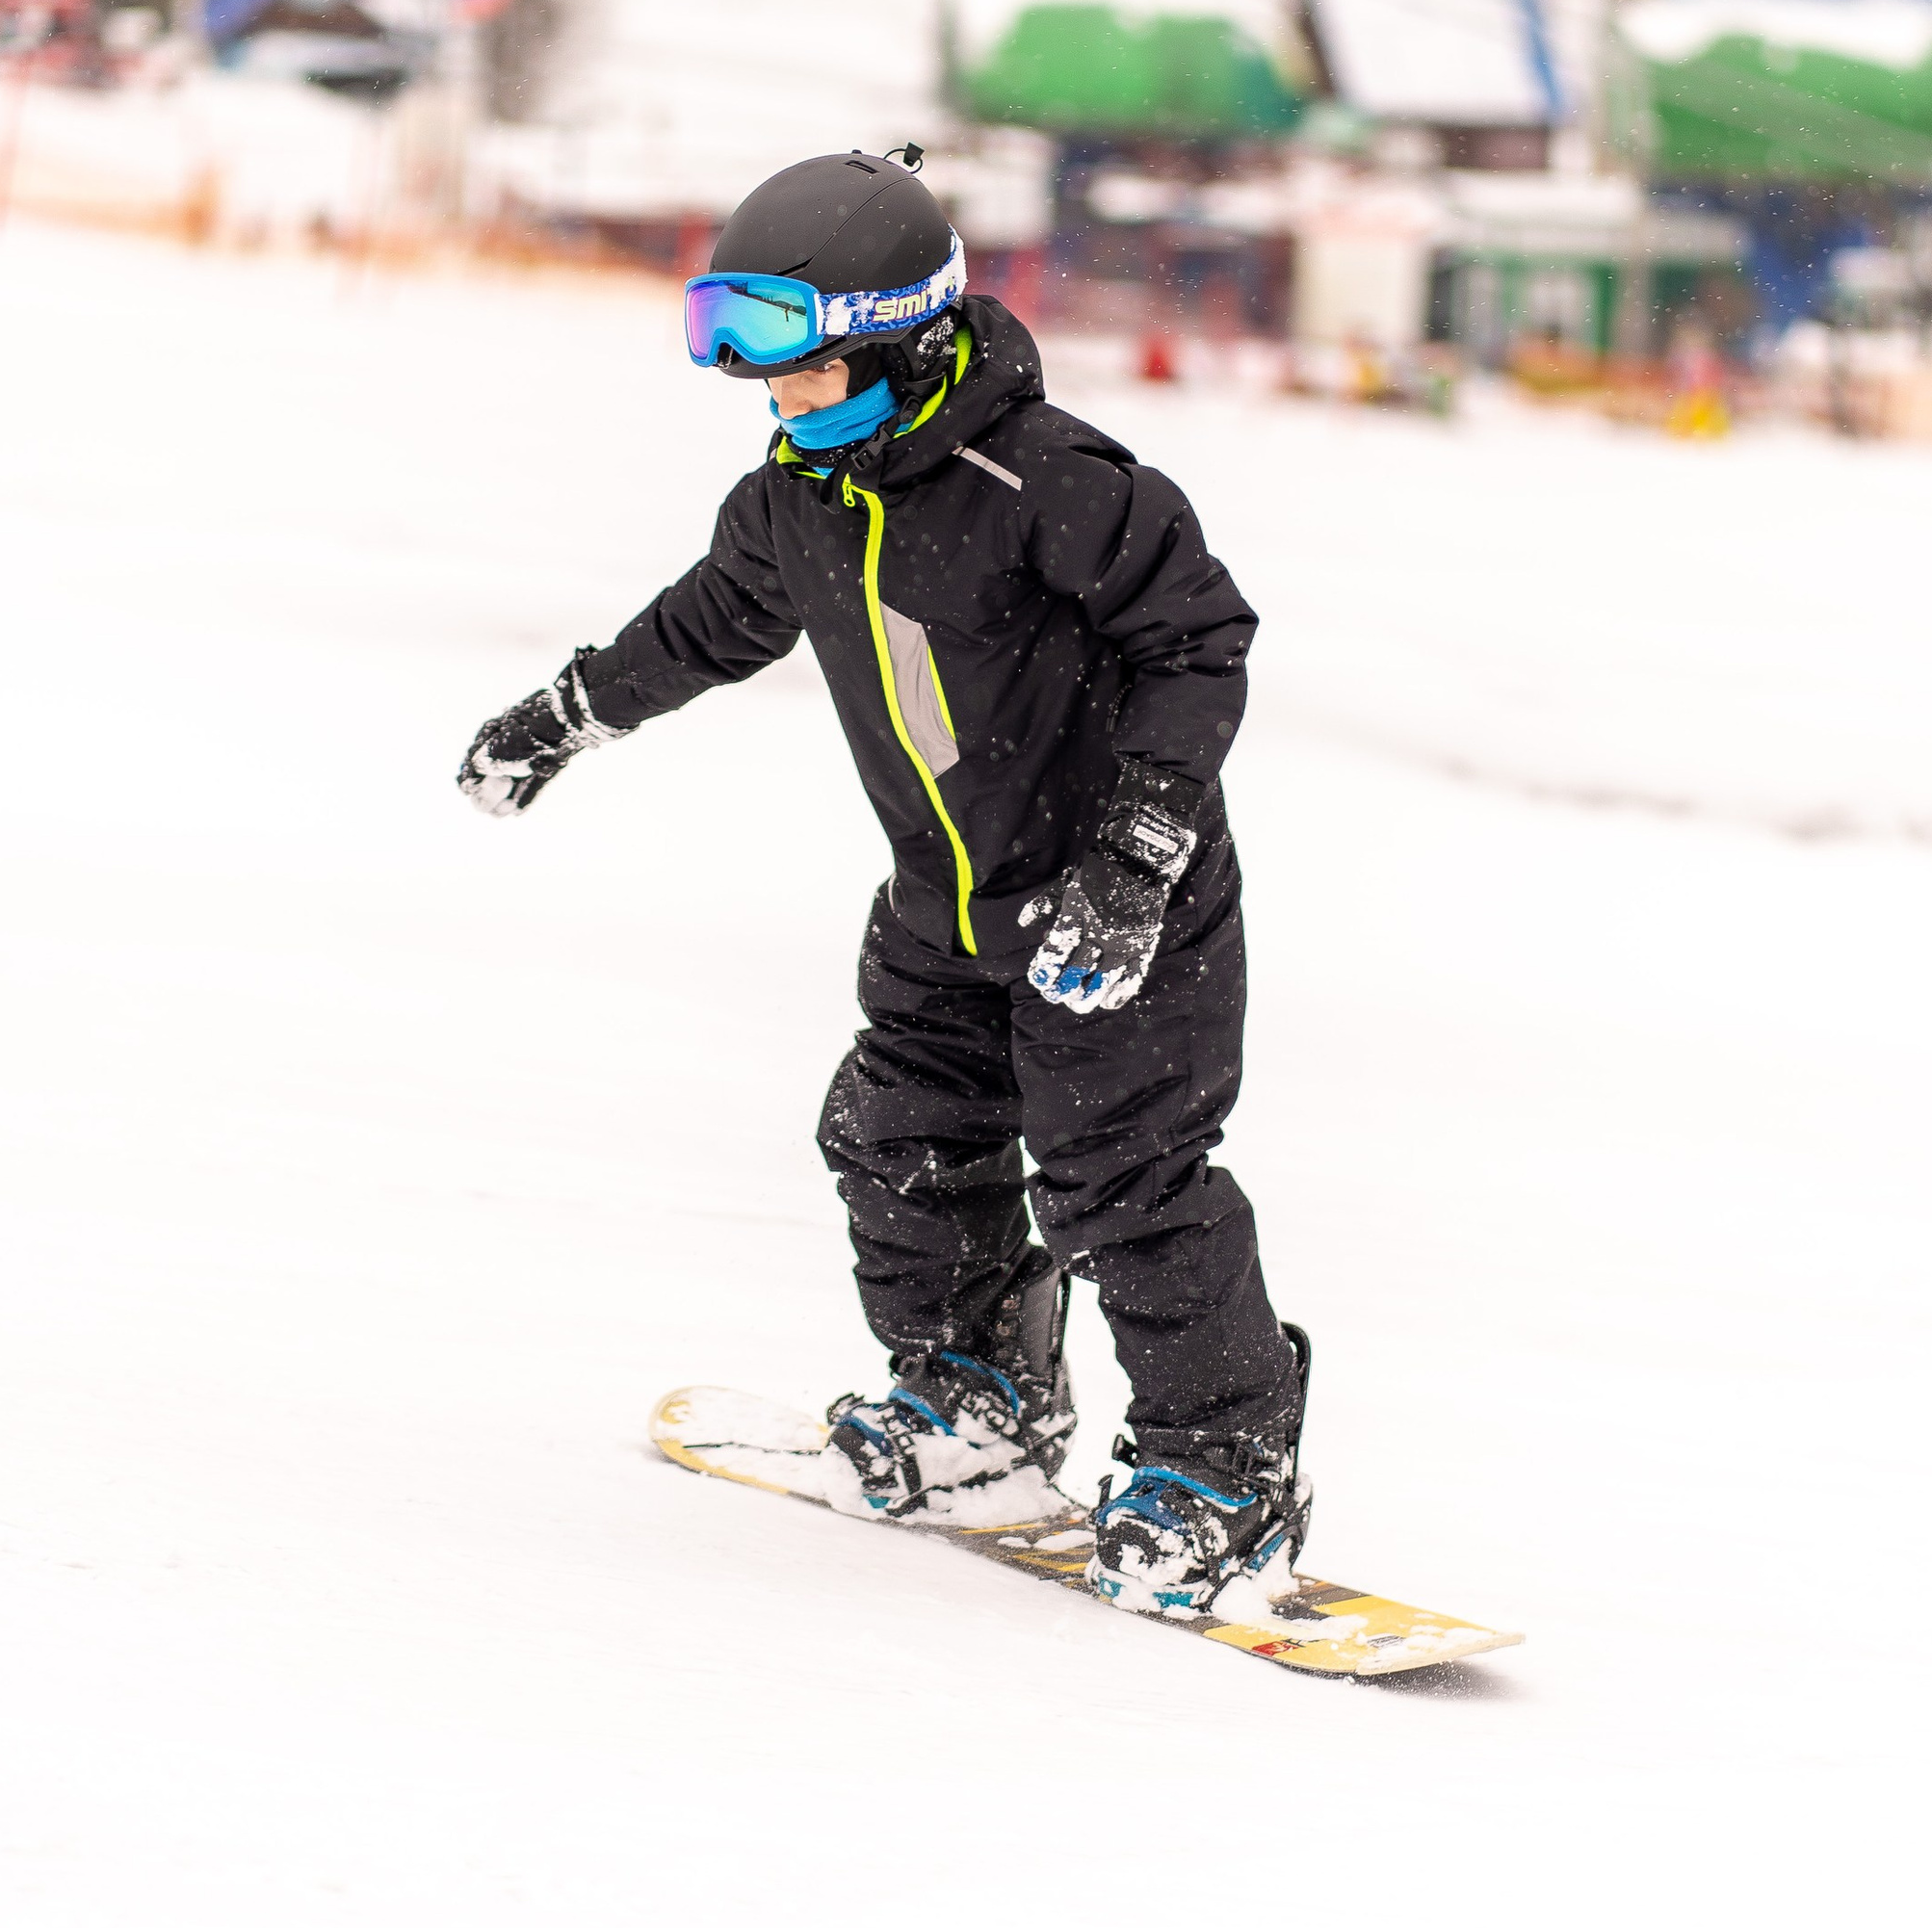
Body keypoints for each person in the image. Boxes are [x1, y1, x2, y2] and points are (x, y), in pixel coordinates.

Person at [457, 147, 1309, 1616]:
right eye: (734, 346)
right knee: (896, 1138)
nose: (763, 388)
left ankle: (1222, 1473)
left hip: (1115, 904)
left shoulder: (1045, 479)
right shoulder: (799, 497)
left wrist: (1138, 857)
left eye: (786, 348)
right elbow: (710, 622)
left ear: (899, 328)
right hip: (940, 903)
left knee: (1124, 1186)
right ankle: (978, 1402)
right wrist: (569, 713)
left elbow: (1199, 637)